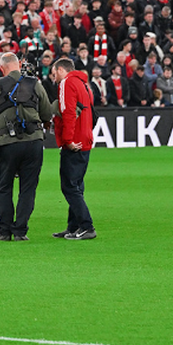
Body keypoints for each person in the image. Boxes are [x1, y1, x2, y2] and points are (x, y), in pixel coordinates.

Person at [0, 52, 52, 241]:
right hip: (34, 142)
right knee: (28, 188)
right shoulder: (34, 83)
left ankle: (4, 231)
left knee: (4, 186)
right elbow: (46, 112)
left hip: (7, 143)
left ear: (1, 66)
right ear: (19, 64)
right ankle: (20, 231)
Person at [51, 58, 96, 240]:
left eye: (54, 74)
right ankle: (73, 226)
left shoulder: (66, 83)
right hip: (85, 139)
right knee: (76, 185)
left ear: (61, 70)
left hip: (74, 141)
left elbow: (68, 112)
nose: (53, 78)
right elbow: (91, 111)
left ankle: (87, 226)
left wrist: (67, 139)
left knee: (69, 186)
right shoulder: (84, 84)